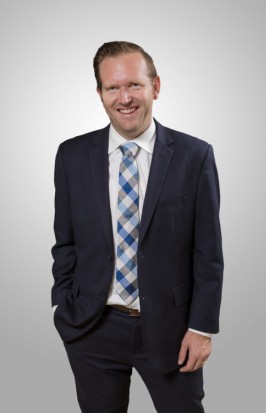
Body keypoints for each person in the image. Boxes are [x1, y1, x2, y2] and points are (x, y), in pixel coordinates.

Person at [51, 41, 224, 413]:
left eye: (134, 85)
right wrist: (62, 305)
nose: (124, 98)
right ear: (99, 93)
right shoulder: (71, 155)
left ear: (155, 87)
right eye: (112, 88)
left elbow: (209, 254)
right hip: (93, 328)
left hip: (173, 330)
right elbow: (65, 243)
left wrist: (202, 328)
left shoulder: (195, 156)